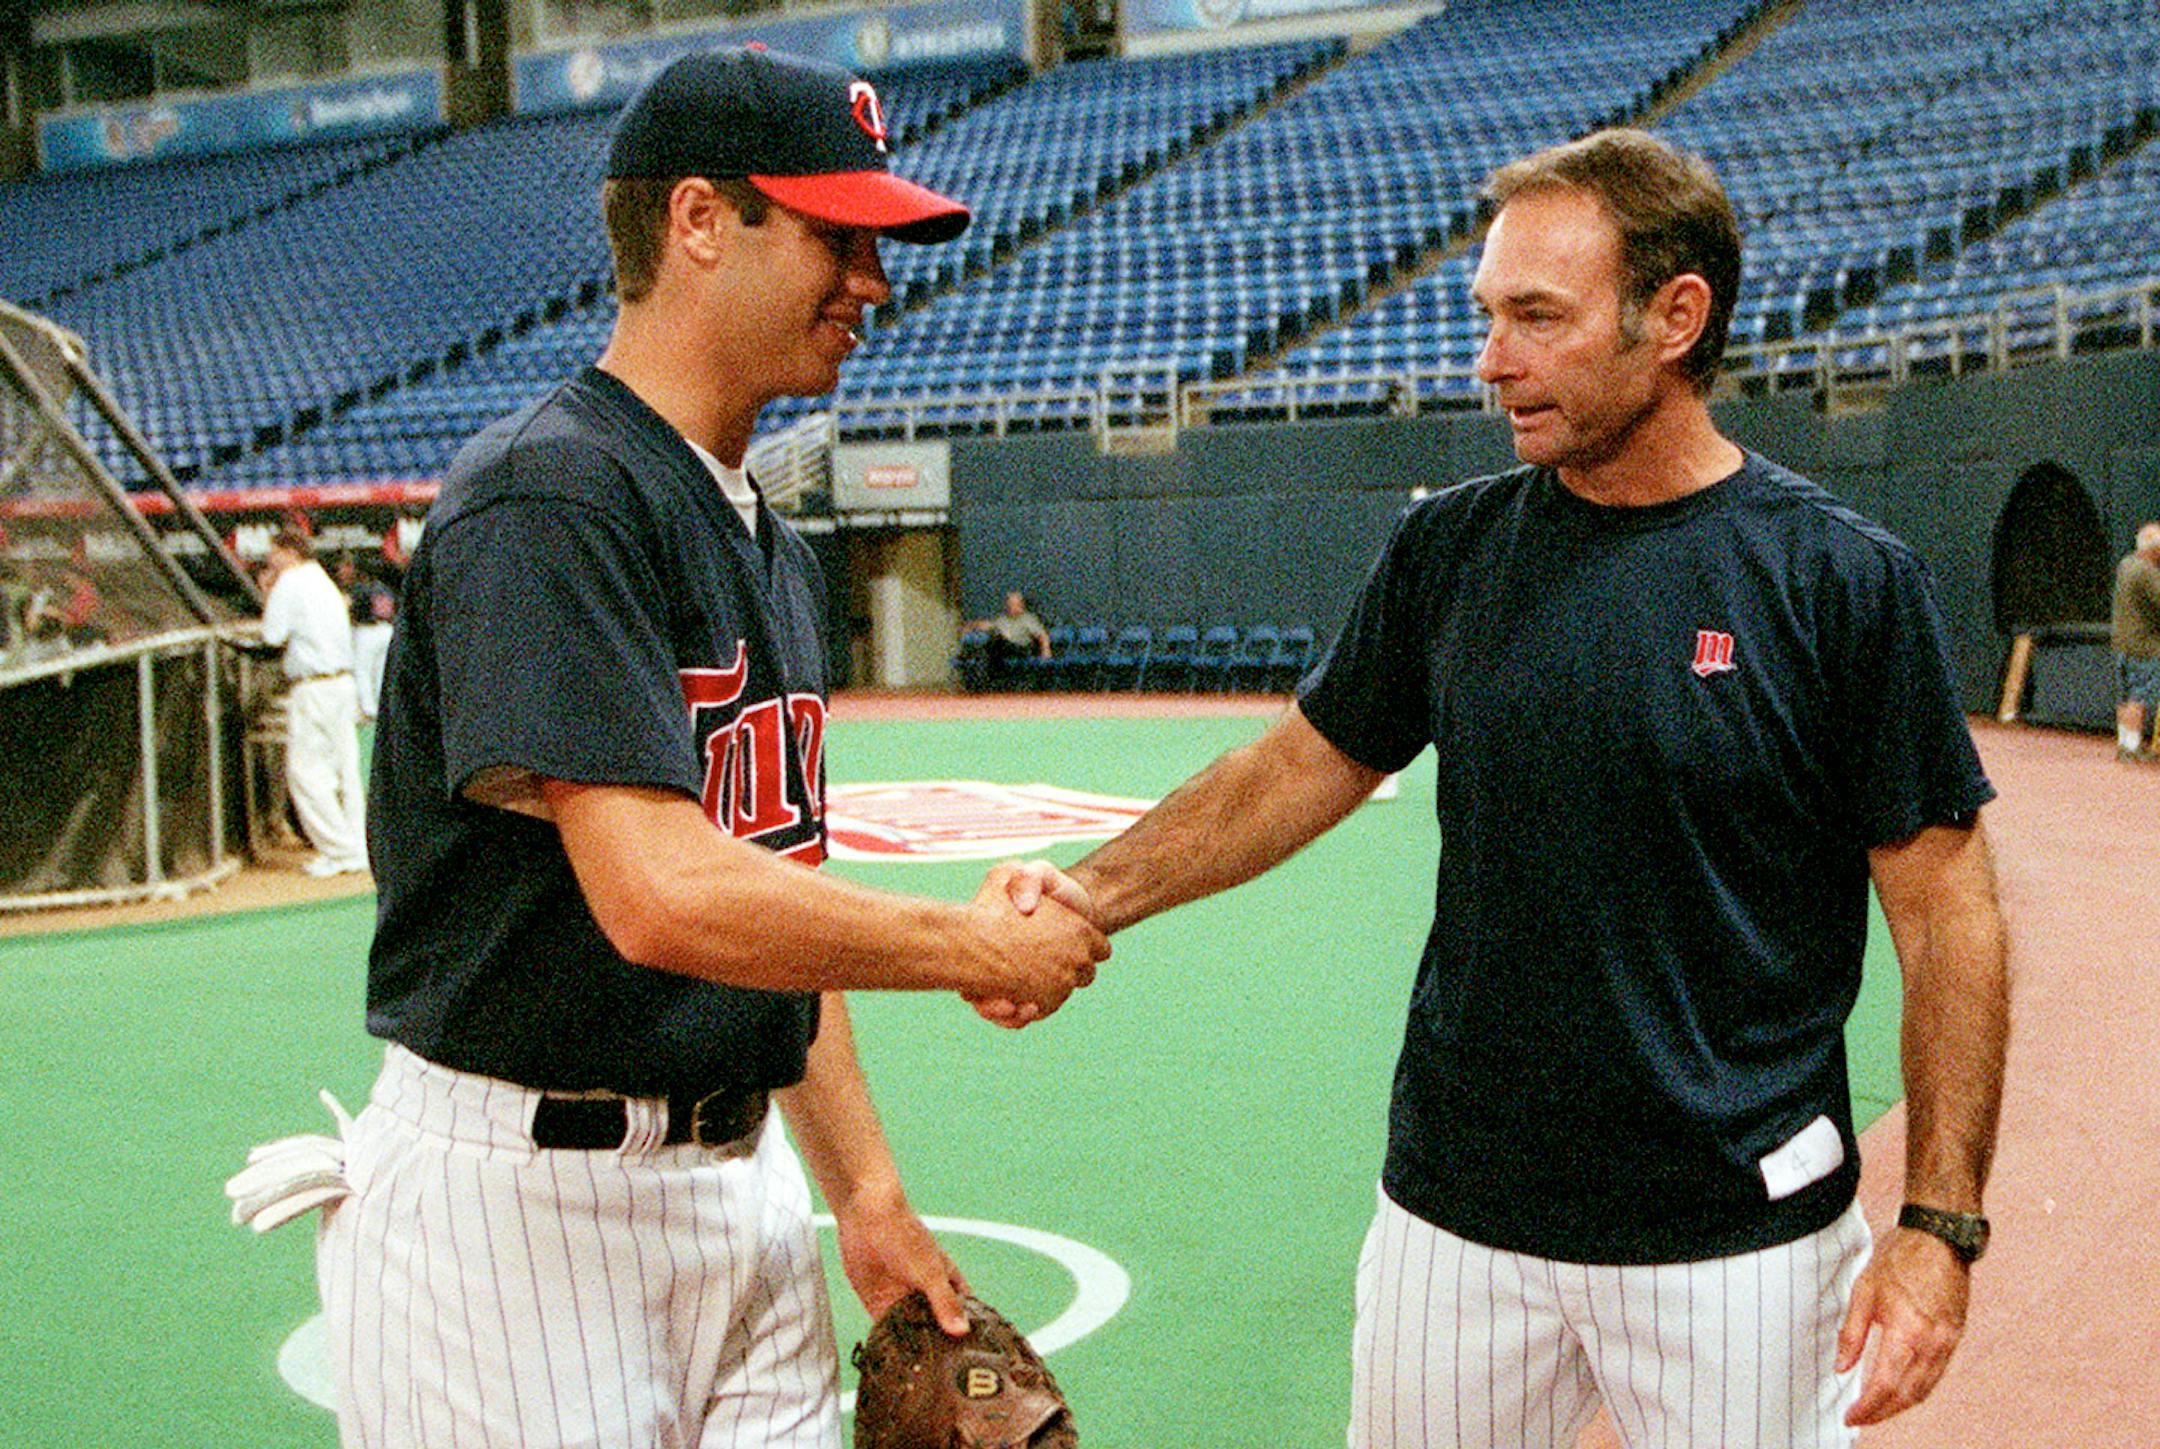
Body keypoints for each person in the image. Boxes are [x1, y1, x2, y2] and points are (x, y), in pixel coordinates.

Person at [998, 129, 2011, 1448]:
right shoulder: (1452, 551)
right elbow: (1297, 766)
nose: (1492, 362)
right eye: (1488, 315)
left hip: (1735, 1234)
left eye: (1538, 317)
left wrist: (1938, 1227)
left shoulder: (1837, 581)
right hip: (1458, 1220)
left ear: (1676, 318)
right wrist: (1088, 895)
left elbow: (1950, 918)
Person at [324, 46, 1107, 1449]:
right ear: (697, 221)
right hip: (523, 1216)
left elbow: (774, 902)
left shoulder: (771, 546)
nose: (873, 280)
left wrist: (863, 1193)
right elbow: (665, 895)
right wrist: (973, 948)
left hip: (739, 1194)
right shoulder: (550, 494)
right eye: (836, 233)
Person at [258, 526, 369, 876]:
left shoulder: (290, 581)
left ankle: (340, 850)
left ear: (288, 552)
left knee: (305, 772)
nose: (269, 559)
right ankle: (359, 849)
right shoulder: (322, 579)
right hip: (342, 683)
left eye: (273, 552)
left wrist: (268, 592)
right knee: (345, 771)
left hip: (314, 687)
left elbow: (271, 635)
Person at [2110, 520, 2160, 760]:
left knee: (2125, 697)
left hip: (2121, 643)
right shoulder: (2147, 572)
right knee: (2139, 698)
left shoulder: (2126, 564)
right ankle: (2132, 747)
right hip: (2144, 645)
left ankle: (2124, 744)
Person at [333, 552, 396, 719]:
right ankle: (384, 710)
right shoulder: (382, 587)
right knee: (381, 672)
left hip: (367, 632)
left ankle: (368, 710)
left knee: (362, 671)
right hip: (386, 630)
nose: (342, 570)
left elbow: (347, 609)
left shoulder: (356, 588)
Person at [965, 590, 1051, 685]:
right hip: (1004, 647)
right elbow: (989, 625)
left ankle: (989, 678)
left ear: (1021, 605)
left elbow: (1042, 635)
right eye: (1010, 604)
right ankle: (986, 679)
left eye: (1015, 604)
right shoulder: (1003, 619)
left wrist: (1045, 651)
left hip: (1021, 648)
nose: (1012, 607)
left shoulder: (1028, 619)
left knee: (996, 643)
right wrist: (972, 625)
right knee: (992, 644)